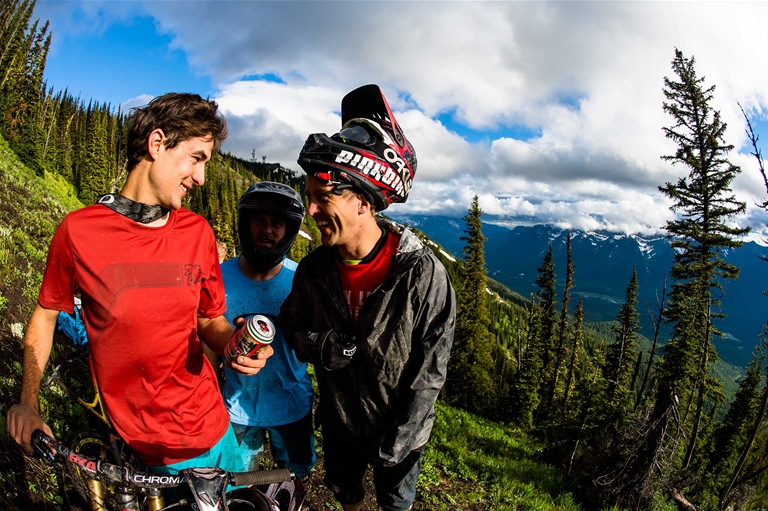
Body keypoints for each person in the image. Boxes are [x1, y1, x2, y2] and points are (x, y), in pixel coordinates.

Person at [7, 93, 271, 478]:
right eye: (197, 159)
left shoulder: (198, 233)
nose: (201, 178)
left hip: (215, 430)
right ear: (157, 143)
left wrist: (236, 345)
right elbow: (46, 316)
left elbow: (209, 319)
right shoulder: (79, 233)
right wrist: (28, 404)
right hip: (149, 453)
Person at [280, 84, 456, 511]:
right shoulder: (314, 270)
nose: (313, 211)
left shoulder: (421, 273)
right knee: (346, 494)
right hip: (340, 425)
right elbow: (291, 326)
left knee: (396, 505)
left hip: (401, 438)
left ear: (363, 201)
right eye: (310, 199)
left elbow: (429, 371)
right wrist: (319, 345)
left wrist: (398, 441)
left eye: (323, 198)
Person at [220, 181, 316, 479]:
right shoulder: (218, 277)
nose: (268, 230)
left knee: (295, 477)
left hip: (291, 405)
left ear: (289, 231)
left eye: (277, 223)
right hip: (235, 407)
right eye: (259, 220)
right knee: (235, 482)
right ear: (246, 224)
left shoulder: (301, 279)